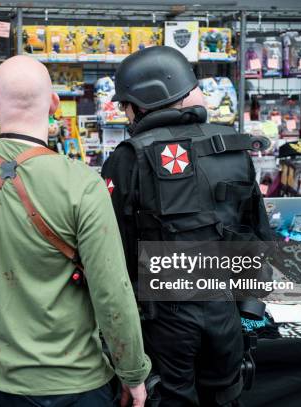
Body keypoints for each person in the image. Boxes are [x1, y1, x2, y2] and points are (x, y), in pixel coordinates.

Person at [0, 55, 151, 407]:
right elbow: (112, 291)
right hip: (77, 384)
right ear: (54, 105)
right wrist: (133, 373)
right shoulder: (82, 184)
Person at [102, 46, 273, 407]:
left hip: (162, 319)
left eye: (126, 104)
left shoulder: (128, 158)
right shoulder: (232, 148)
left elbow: (109, 256)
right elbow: (258, 236)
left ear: (145, 100)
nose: (124, 112)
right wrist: (249, 312)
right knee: (225, 397)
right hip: (226, 310)